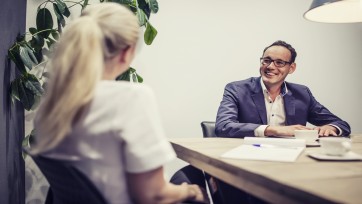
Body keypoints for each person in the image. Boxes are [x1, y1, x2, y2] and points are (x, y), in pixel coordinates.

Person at [30, 3, 209, 204]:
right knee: (195, 182)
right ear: (126, 52)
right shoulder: (129, 99)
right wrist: (190, 191)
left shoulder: (50, 105)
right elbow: (153, 195)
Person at [216, 40, 351, 138]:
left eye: (279, 62)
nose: (270, 66)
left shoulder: (302, 93)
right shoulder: (236, 89)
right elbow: (223, 126)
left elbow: (341, 124)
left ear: (291, 68)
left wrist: (331, 127)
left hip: (292, 158)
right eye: (266, 60)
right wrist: (274, 130)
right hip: (248, 157)